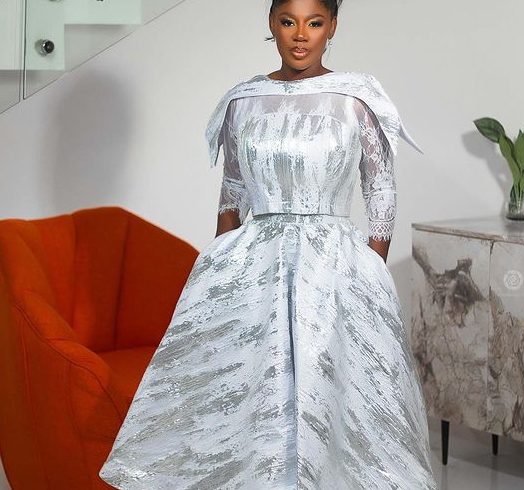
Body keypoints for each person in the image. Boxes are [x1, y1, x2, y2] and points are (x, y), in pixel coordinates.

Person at [99, 0, 436, 488]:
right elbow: (232, 189)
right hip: (255, 266)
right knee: (247, 390)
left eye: (314, 23)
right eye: (288, 21)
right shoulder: (243, 101)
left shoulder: (356, 99)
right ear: (272, 25)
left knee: (334, 395)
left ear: (332, 27)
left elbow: (380, 186)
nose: (300, 34)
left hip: (334, 267)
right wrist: (221, 271)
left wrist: (370, 267)